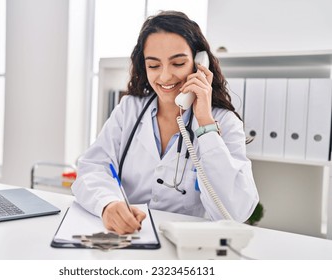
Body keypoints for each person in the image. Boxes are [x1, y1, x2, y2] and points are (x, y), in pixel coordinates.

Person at [73, 11, 259, 234]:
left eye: (178, 63)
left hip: (185, 249)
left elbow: (236, 212)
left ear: (199, 64)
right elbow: (92, 167)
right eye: (153, 66)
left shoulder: (224, 122)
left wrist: (205, 125)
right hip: (128, 240)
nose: (164, 77)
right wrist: (108, 204)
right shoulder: (129, 109)